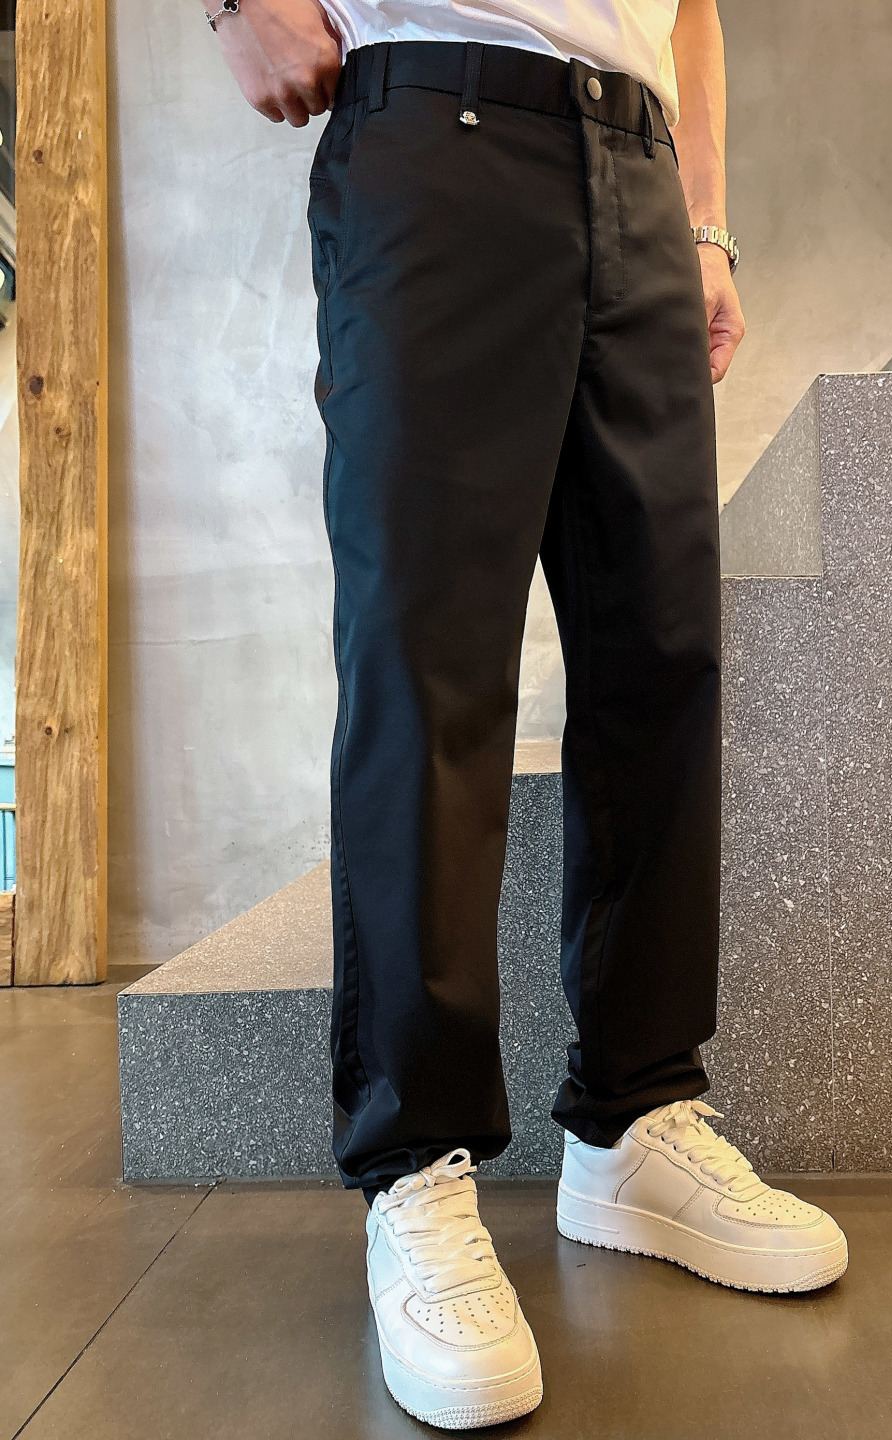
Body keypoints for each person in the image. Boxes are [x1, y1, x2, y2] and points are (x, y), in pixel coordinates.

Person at [207, 0, 848, 1428]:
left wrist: (704, 225)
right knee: (431, 667)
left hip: (637, 172)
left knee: (659, 658)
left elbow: (688, 9)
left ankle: (636, 1118)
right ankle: (416, 1167)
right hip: (436, 134)